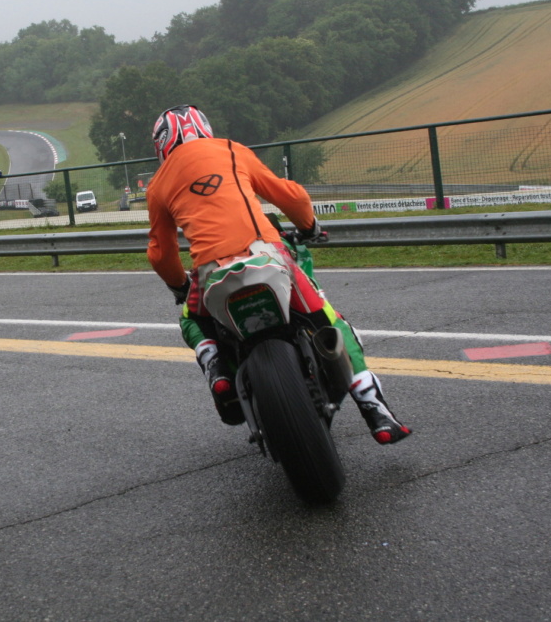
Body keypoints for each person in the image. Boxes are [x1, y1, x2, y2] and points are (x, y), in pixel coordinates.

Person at [145, 105, 411, 445]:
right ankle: (374, 407)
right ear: (204, 127)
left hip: (210, 273)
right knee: (331, 322)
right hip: (268, 255)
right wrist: (309, 225)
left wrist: (179, 285)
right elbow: (290, 194)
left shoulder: (158, 184)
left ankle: (216, 367)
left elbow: (160, 252)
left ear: (162, 143)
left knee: (191, 321)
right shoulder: (230, 149)